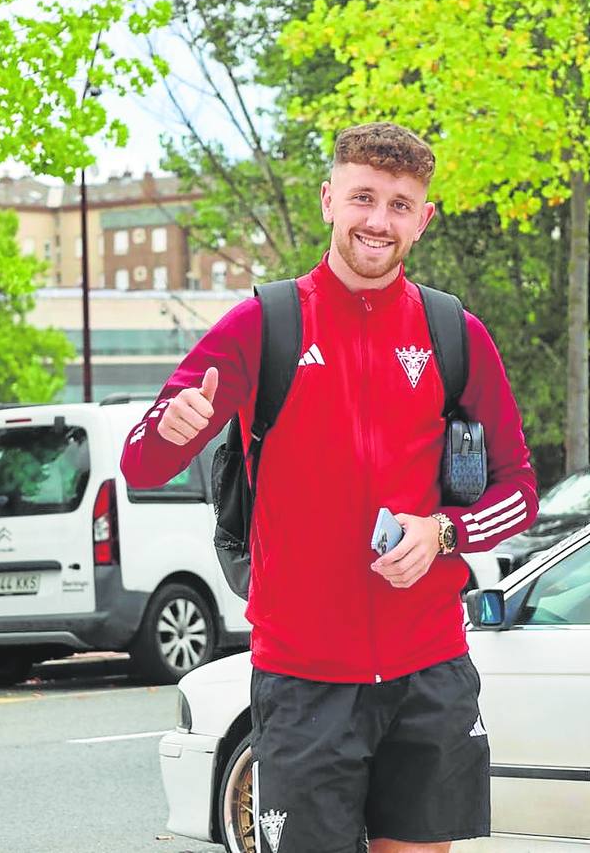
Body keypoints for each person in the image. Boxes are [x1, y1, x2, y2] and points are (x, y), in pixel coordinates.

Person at [121, 122, 538, 853]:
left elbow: (518, 490)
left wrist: (442, 531)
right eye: (363, 198)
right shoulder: (264, 323)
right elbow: (139, 465)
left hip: (428, 668)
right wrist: (170, 432)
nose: (378, 221)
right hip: (303, 677)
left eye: (399, 205)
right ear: (327, 200)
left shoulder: (453, 331)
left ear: (423, 219)